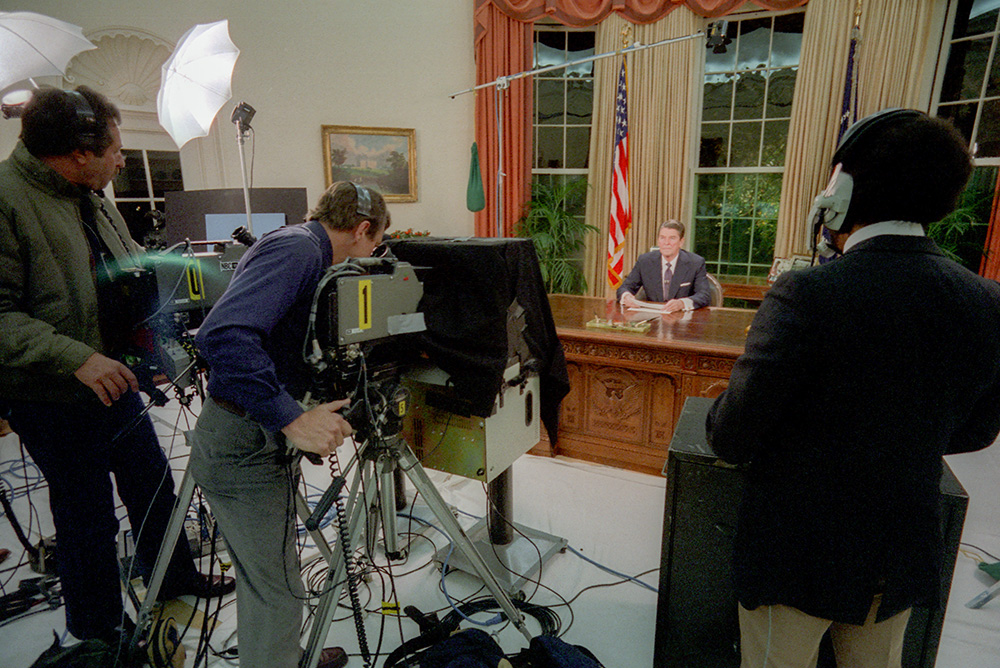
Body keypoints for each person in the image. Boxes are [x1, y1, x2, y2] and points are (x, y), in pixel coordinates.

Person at [705, 109, 1000, 668]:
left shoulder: (808, 293)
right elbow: (980, 429)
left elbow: (731, 437)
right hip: (900, 553)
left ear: (841, 189)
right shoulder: (989, 301)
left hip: (795, 555)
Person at [0, 86, 234, 645]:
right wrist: (79, 358)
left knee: (152, 483)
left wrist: (149, 344)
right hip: (52, 393)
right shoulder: (7, 200)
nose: (123, 159)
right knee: (86, 515)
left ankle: (173, 576)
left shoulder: (93, 195)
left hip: (116, 379)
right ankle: (98, 627)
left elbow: (124, 276)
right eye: (115, 148)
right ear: (80, 152)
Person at [189, 181, 391, 668]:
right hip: (242, 445)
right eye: (375, 244)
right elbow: (224, 335)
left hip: (254, 437)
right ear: (363, 229)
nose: (373, 254)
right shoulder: (298, 250)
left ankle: (282, 654)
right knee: (278, 586)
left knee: (269, 574)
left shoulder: (304, 248)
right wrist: (293, 418)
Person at [616, 220, 711, 313]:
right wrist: (626, 296)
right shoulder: (645, 261)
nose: (666, 243)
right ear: (658, 241)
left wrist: (682, 303)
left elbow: (704, 295)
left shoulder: (695, 262)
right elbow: (625, 287)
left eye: (672, 238)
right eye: (662, 238)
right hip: (651, 319)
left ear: (681, 242)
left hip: (681, 319)